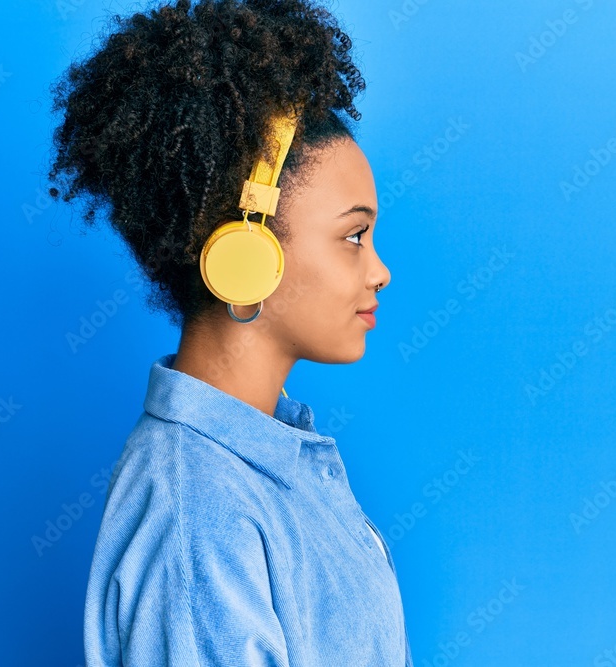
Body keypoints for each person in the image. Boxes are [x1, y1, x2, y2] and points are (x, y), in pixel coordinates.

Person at [46, 1, 412, 664]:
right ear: (247, 254)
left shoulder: (264, 462)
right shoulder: (199, 512)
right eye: (354, 236)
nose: (380, 271)